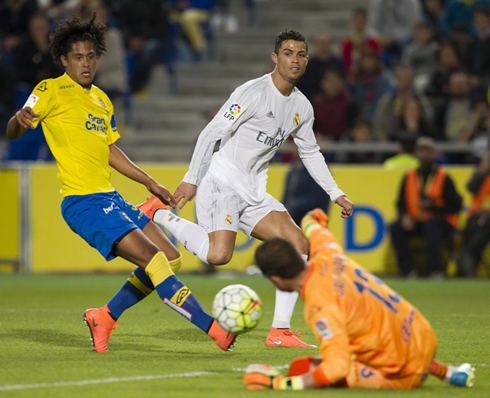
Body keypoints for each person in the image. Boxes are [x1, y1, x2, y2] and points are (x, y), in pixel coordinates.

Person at [5, 15, 235, 353]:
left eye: (90, 56)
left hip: (109, 197)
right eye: (78, 57)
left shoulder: (101, 99)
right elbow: (15, 128)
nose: (86, 63)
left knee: (171, 259)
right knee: (155, 260)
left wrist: (150, 182)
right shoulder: (49, 90)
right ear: (64, 60)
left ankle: (105, 316)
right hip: (83, 203)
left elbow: (110, 150)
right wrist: (17, 119)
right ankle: (213, 328)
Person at [138, 29, 354, 348]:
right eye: (288, 53)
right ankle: (157, 213)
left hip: (253, 192)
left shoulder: (302, 107)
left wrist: (336, 193)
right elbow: (211, 133)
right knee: (219, 255)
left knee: (301, 246)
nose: (295, 60)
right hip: (222, 181)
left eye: (301, 54)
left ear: (307, 61)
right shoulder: (252, 93)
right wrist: (192, 178)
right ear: (275, 57)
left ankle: (280, 332)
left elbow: (310, 151)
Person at [243, 209, 475, 390]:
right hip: (423, 334)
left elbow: (336, 368)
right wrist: (310, 218)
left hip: (403, 375)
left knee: (302, 369)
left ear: (276, 279)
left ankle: (426, 369)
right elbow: (314, 225)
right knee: (365, 330)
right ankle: (448, 372)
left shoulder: (320, 306)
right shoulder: (328, 252)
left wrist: (280, 385)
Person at [389, 137, 462, 277]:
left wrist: (433, 207)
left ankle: (434, 271)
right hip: (416, 220)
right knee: (396, 227)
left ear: (434, 154)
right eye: (421, 151)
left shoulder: (444, 177)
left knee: (432, 226)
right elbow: (400, 203)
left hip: (439, 220)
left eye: (428, 151)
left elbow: (456, 205)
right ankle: (408, 271)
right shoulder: (409, 176)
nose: (424, 155)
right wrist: (404, 216)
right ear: (416, 153)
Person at [457, 150, 490, 277]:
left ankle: (467, 256)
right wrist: (482, 171)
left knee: (485, 223)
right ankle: (469, 259)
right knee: (477, 225)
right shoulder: (480, 174)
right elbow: (471, 188)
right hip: (476, 216)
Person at [295, 32, 345, 101]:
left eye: (326, 44)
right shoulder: (306, 65)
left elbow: (343, 84)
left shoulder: (338, 64)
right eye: (321, 44)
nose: (323, 47)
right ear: (315, 45)